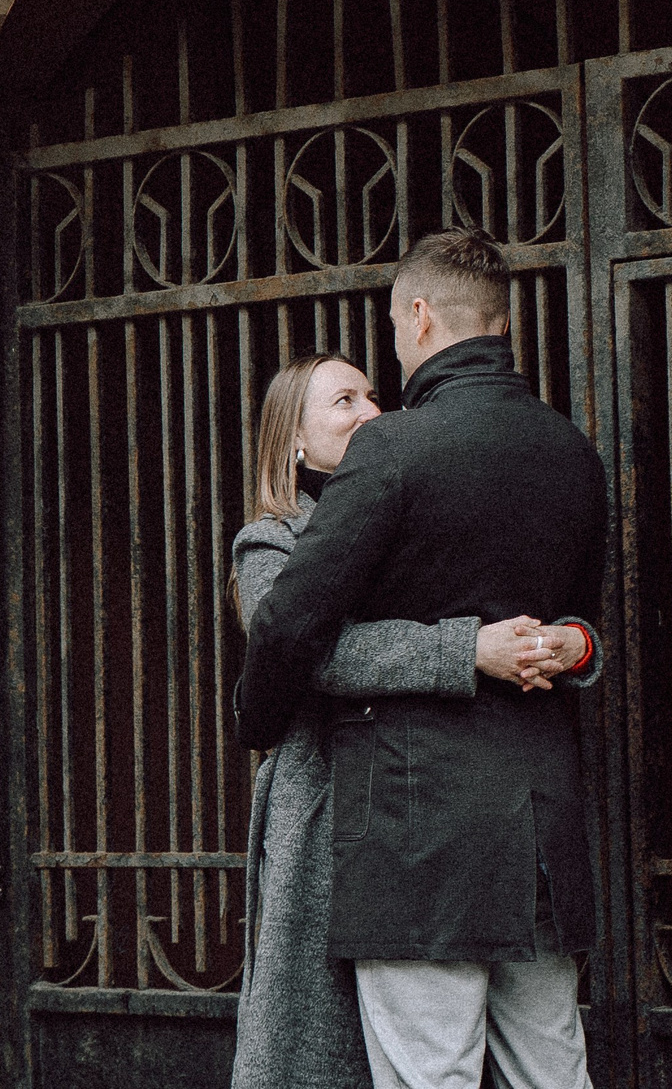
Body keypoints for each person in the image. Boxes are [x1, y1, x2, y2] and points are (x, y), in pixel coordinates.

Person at [239, 229, 611, 1089]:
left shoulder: (397, 449)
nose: (379, 395)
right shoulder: (571, 451)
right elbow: (577, 615)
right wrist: (571, 643)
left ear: (418, 315)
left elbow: (290, 629)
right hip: (539, 825)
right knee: (553, 1072)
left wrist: (260, 720)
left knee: (428, 1075)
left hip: (416, 832)